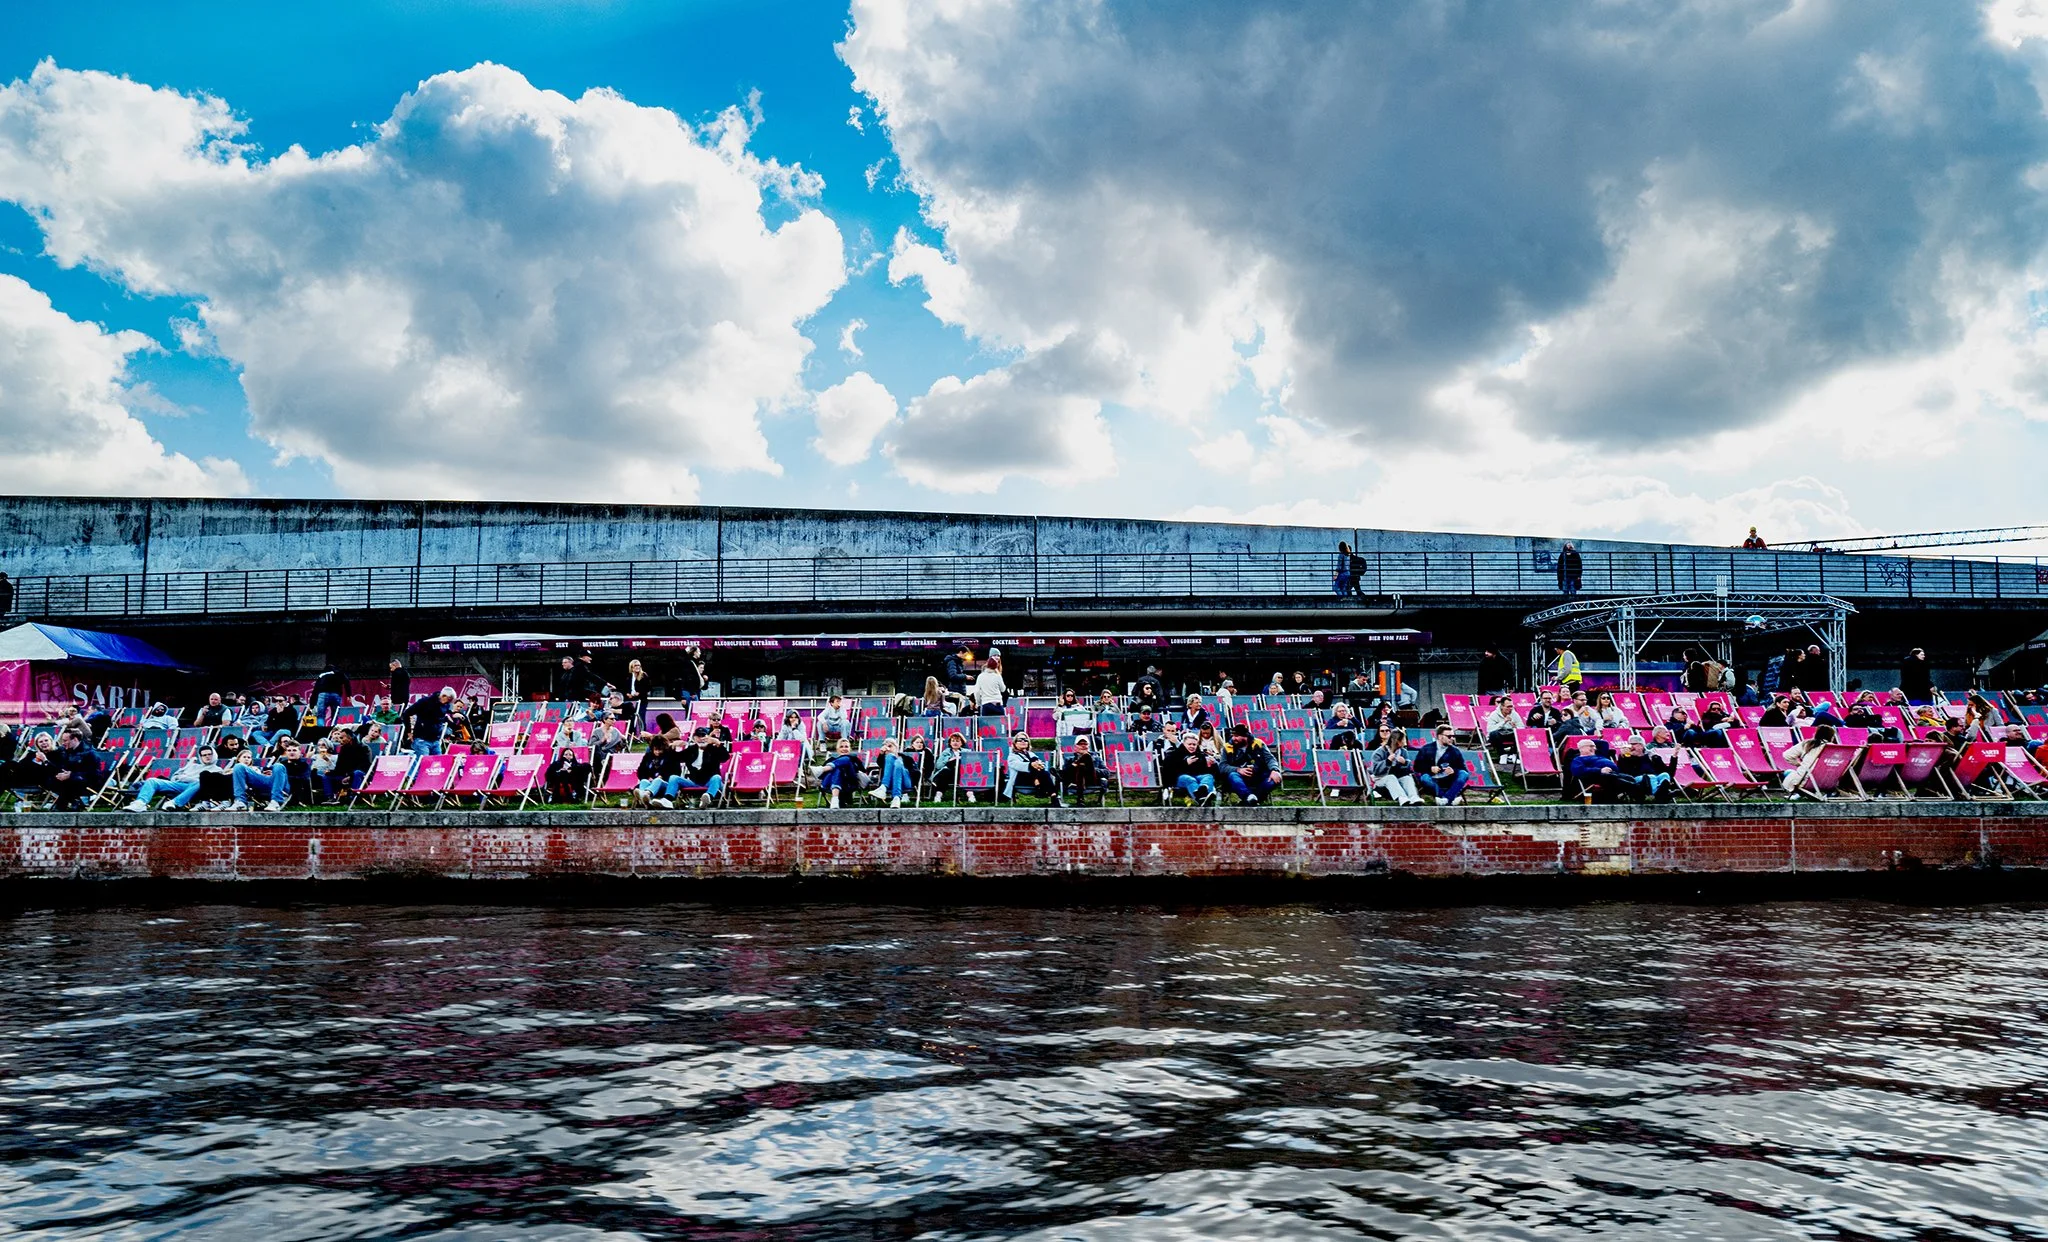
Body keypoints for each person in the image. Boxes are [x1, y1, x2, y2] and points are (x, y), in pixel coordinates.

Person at [125, 746, 216, 811]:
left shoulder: (217, 770)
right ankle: (140, 803)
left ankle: (174, 803)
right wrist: (182, 778)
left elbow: (207, 782)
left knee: (200, 782)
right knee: (152, 780)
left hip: (195, 788)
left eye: (209, 754)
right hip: (178, 785)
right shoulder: (193, 766)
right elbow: (175, 776)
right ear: (201, 757)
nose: (207, 756)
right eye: (204, 755)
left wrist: (186, 778)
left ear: (214, 755)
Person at [1220, 725, 1280, 805]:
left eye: (1237, 736)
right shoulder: (1227, 747)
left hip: (1258, 775)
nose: (1233, 738)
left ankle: (1251, 799)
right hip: (1239, 778)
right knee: (1233, 776)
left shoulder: (1258, 744)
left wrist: (1274, 770)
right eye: (1233, 736)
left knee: (1274, 778)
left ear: (1245, 736)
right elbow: (1222, 766)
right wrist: (1238, 769)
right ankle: (1248, 796)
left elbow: (1270, 759)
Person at [1413, 725, 1470, 805]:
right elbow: (1416, 767)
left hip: (1448, 779)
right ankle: (1449, 799)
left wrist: (1454, 770)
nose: (1452, 739)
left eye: (1453, 736)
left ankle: (1445, 799)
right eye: (1449, 736)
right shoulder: (1426, 749)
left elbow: (1463, 768)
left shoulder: (1455, 751)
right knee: (1425, 778)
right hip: (1432, 778)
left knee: (1464, 774)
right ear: (1440, 737)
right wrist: (1430, 769)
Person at [1613, 738, 1678, 803]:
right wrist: (1624, 757)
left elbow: (1670, 773)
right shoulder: (1627, 757)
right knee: (1650, 777)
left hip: (1655, 779)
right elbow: (1622, 772)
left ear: (1642, 746)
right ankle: (1658, 795)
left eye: (1633, 744)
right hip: (1636, 780)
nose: (1630, 747)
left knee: (1665, 775)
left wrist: (1674, 757)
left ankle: (1661, 792)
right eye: (1629, 744)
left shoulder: (1652, 756)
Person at [1162, 732, 1218, 805]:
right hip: (1179, 778)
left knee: (1208, 776)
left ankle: (1203, 792)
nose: (1192, 746)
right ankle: (1200, 799)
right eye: (1189, 744)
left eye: (1194, 744)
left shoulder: (1200, 755)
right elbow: (1168, 771)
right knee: (1189, 779)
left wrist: (1213, 765)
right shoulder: (1173, 754)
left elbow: (1209, 772)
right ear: (1184, 744)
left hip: (1198, 776)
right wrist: (1185, 763)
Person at [1366, 732, 1422, 805]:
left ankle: (1414, 797)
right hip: (1381, 781)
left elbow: (1408, 771)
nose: (1404, 742)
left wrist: (1405, 763)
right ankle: (1402, 798)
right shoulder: (1380, 752)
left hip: (1398, 780)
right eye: (1402, 740)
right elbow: (1376, 771)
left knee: (1407, 778)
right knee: (1391, 777)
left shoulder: (1403, 752)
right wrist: (1387, 761)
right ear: (1397, 741)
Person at [633, 734, 686, 808]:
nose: (657, 752)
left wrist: (662, 776)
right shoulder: (648, 756)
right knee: (644, 781)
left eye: (660, 750)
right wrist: (648, 777)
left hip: (665, 785)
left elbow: (676, 772)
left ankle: (646, 795)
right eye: (655, 750)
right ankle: (646, 802)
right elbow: (641, 770)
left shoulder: (671, 756)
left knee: (658, 780)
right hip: (650, 782)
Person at [402, 687, 457, 756]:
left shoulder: (446, 705)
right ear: (443, 696)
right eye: (449, 700)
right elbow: (407, 713)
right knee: (423, 762)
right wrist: (408, 731)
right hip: (421, 739)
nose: (448, 703)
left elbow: (442, 718)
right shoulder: (425, 702)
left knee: (437, 764)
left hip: (435, 740)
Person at [1004, 732, 1057, 802]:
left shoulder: (1031, 754)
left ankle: (1049, 793)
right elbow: (1019, 766)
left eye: (1025, 740)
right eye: (1020, 740)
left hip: (1033, 777)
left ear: (1028, 743)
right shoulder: (1012, 756)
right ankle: (1051, 794)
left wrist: (1040, 765)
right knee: (1041, 771)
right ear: (1015, 743)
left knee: (1040, 769)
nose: (1023, 741)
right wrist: (1031, 764)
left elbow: (1040, 764)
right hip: (1019, 779)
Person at [1059, 735, 1107, 806]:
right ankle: (1080, 798)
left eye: (1085, 744)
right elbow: (1066, 773)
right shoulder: (1069, 759)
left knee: (1087, 758)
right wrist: (1073, 765)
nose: (1083, 746)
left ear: (1088, 746)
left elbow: (1106, 772)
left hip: (1092, 779)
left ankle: (1080, 799)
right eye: (1080, 744)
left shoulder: (1097, 758)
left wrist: (1093, 769)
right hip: (1075, 780)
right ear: (1075, 747)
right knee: (1081, 768)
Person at [817, 739, 866, 808]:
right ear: (837, 749)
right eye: (841, 747)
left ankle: (835, 799)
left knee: (845, 760)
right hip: (829, 784)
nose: (844, 749)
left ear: (850, 749)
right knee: (837, 768)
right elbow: (822, 777)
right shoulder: (831, 760)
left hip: (850, 783)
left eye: (846, 747)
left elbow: (862, 771)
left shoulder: (853, 759)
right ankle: (835, 800)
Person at [1483, 696, 1523, 766]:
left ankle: (1513, 754)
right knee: (1494, 734)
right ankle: (1502, 754)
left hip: (1510, 734)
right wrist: (1503, 722)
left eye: (1511, 706)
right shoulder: (1494, 715)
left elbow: (1522, 727)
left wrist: (1516, 727)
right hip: (1497, 735)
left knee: (1518, 733)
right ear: (1502, 706)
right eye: (1508, 707)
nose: (1510, 709)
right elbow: (1489, 730)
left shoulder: (1514, 714)